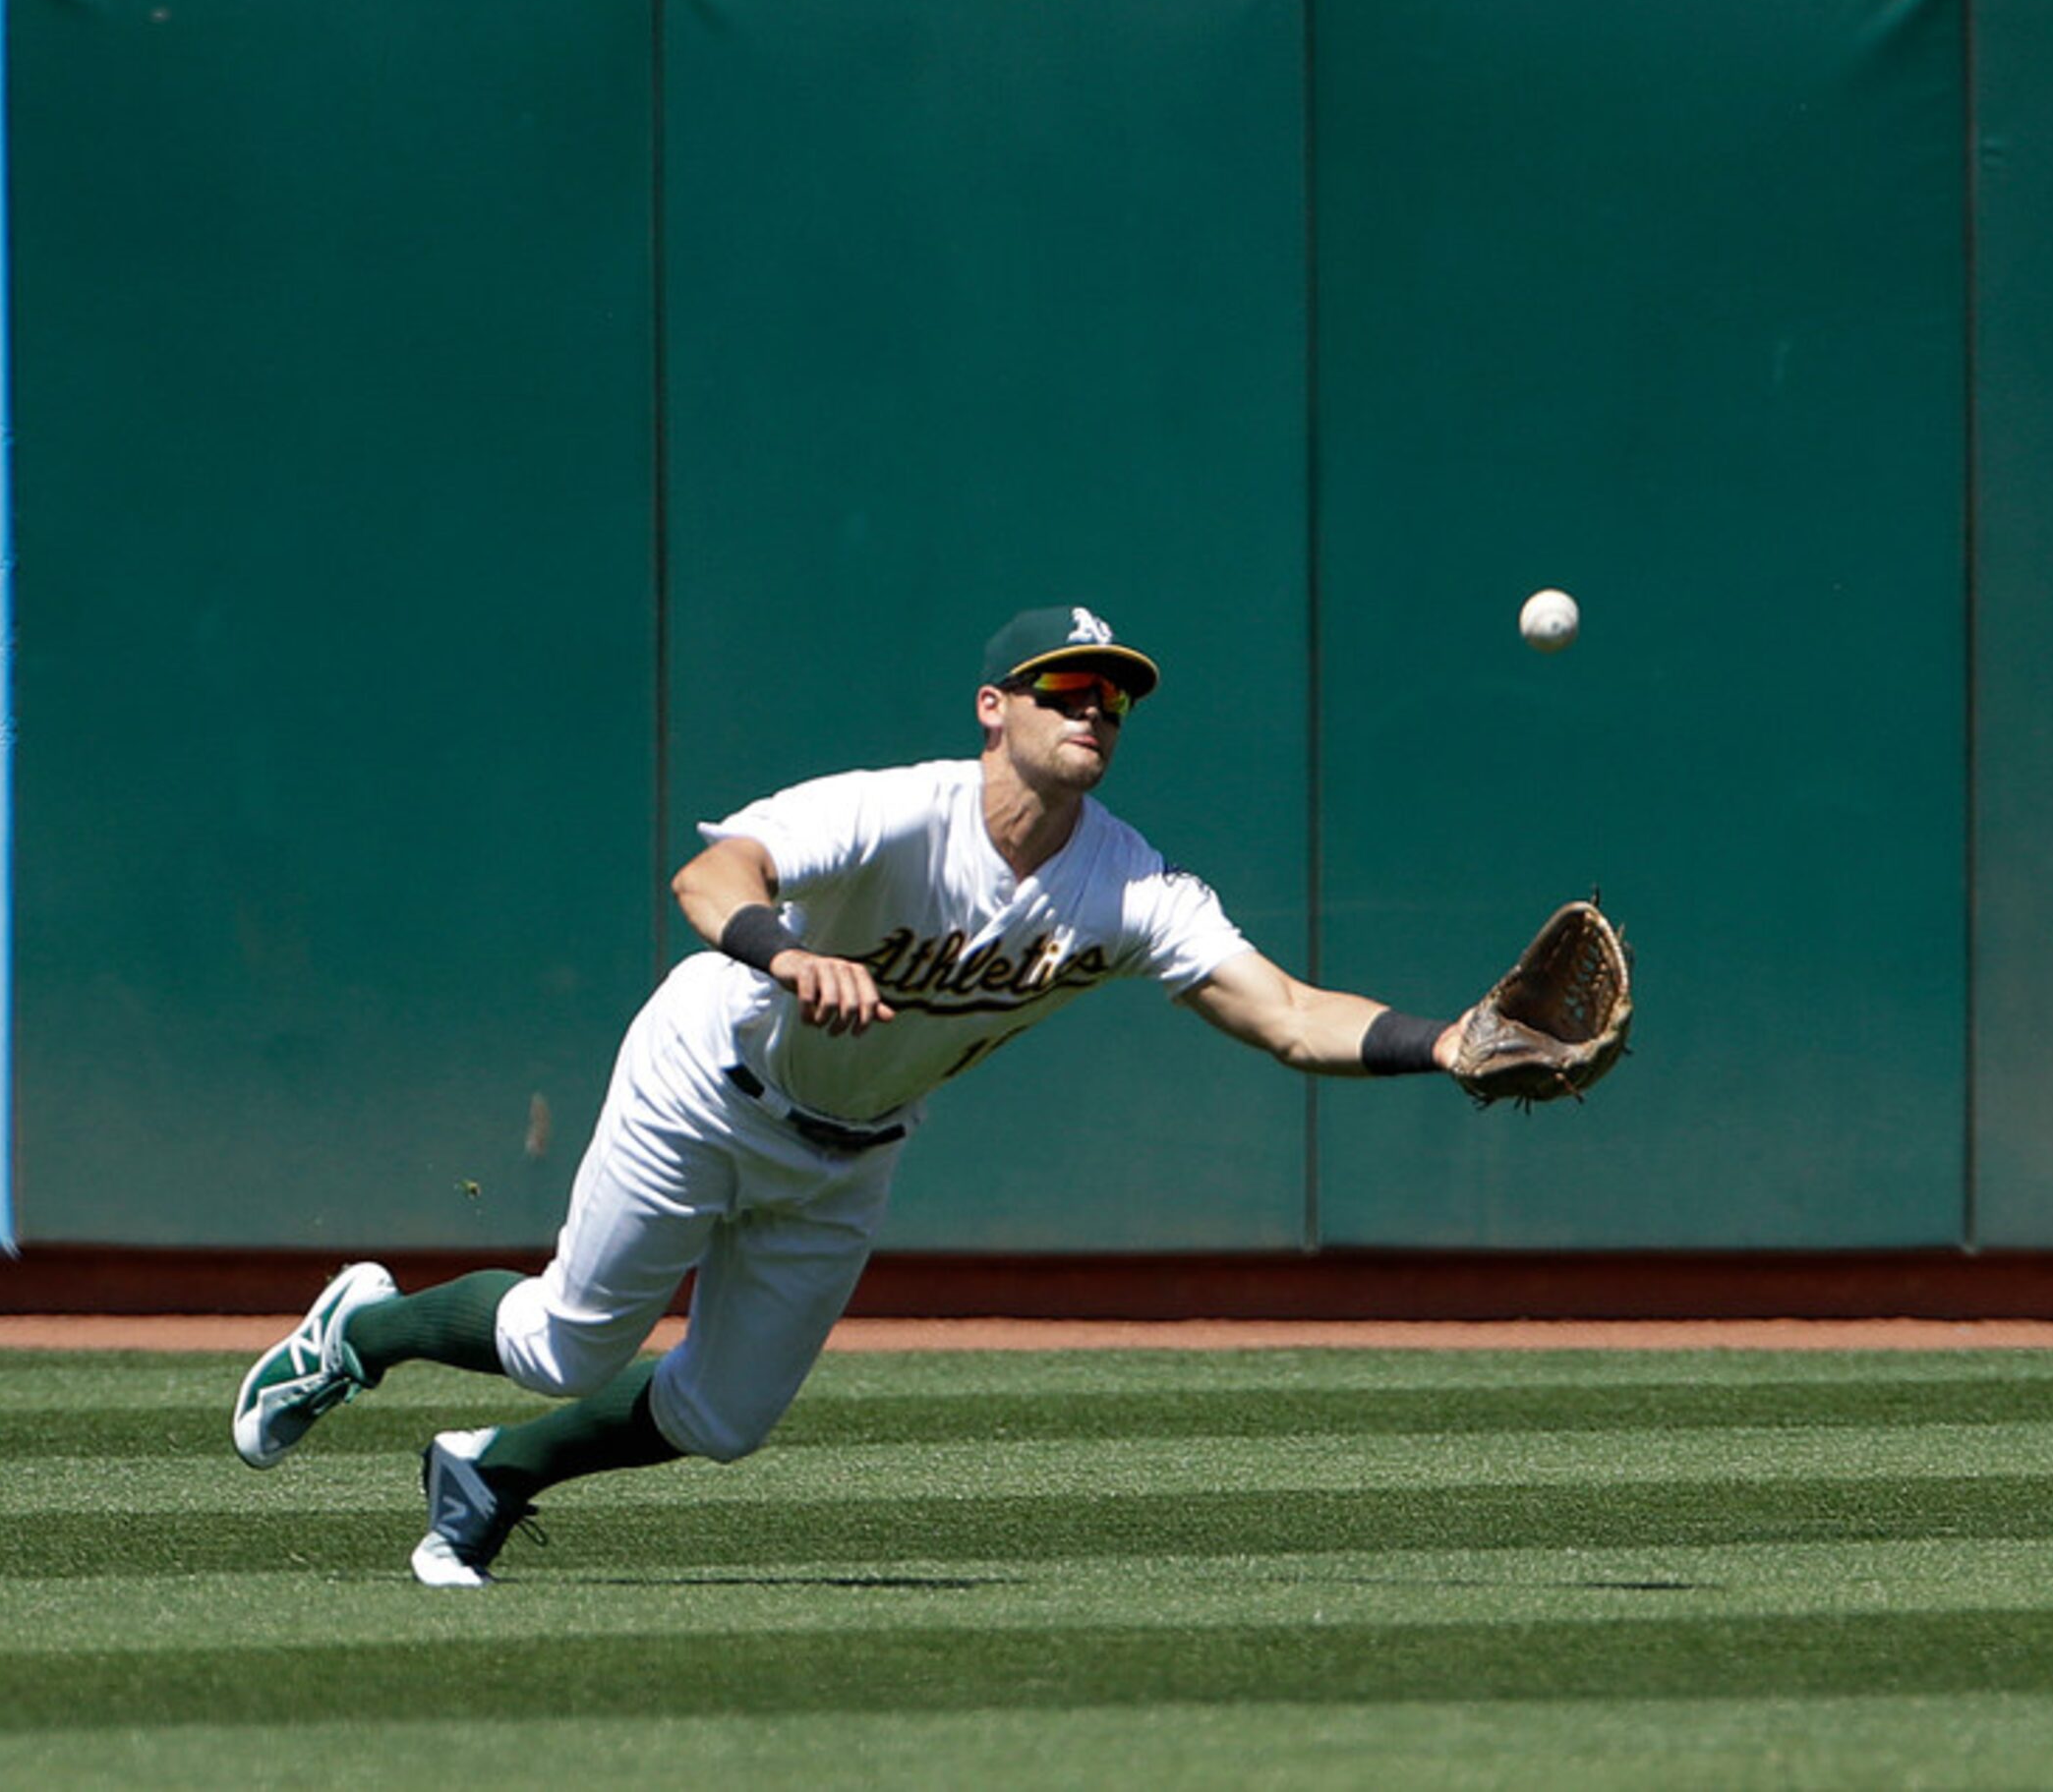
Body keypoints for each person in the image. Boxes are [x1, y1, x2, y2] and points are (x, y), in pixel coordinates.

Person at [231, 605, 1467, 1587]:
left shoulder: (1127, 883)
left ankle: (489, 1476)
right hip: (706, 1084)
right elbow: (712, 875)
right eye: (1067, 688)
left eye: (1115, 697)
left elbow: (1286, 1013)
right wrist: (783, 949)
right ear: (995, 710)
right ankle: (359, 1331)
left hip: (851, 1146)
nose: (1096, 709)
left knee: (721, 1417)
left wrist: (1448, 1043)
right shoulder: (895, 811)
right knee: (565, 1343)